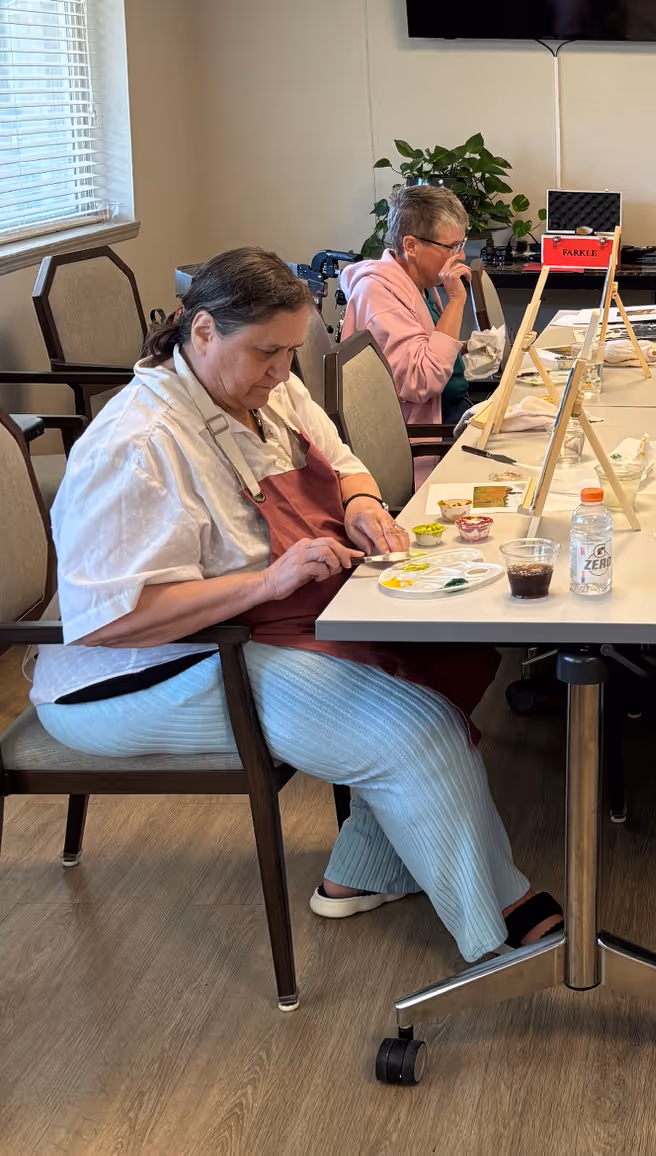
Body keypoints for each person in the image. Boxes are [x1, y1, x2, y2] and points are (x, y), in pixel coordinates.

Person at [31, 248, 562, 963]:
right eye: (265, 353)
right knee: (412, 728)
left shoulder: (264, 389)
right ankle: (495, 924)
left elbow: (341, 461)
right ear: (202, 332)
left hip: (245, 624)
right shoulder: (140, 442)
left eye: (290, 352)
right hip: (142, 672)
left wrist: (365, 506)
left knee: (454, 653)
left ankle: (360, 875)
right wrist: (265, 584)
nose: (282, 372)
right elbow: (111, 622)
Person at [340, 185, 476, 433]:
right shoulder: (378, 296)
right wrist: (456, 300)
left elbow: (426, 345)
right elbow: (422, 381)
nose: (461, 256)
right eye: (452, 247)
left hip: (454, 410)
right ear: (411, 245)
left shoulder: (420, 284)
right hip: (431, 432)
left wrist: (466, 346)